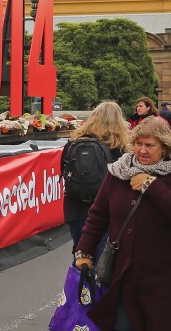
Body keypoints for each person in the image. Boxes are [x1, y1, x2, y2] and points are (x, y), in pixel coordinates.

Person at [75, 117, 171, 331]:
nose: (142, 150)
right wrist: (84, 251)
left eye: (149, 145)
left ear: (164, 147)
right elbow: (98, 215)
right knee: (122, 325)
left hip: (165, 277)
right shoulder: (118, 172)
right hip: (124, 275)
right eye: (138, 144)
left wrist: (152, 185)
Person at [61, 102, 129, 252]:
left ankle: (79, 276)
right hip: (107, 211)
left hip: (76, 208)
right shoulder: (120, 147)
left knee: (81, 254)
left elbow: (64, 173)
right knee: (102, 261)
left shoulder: (72, 144)